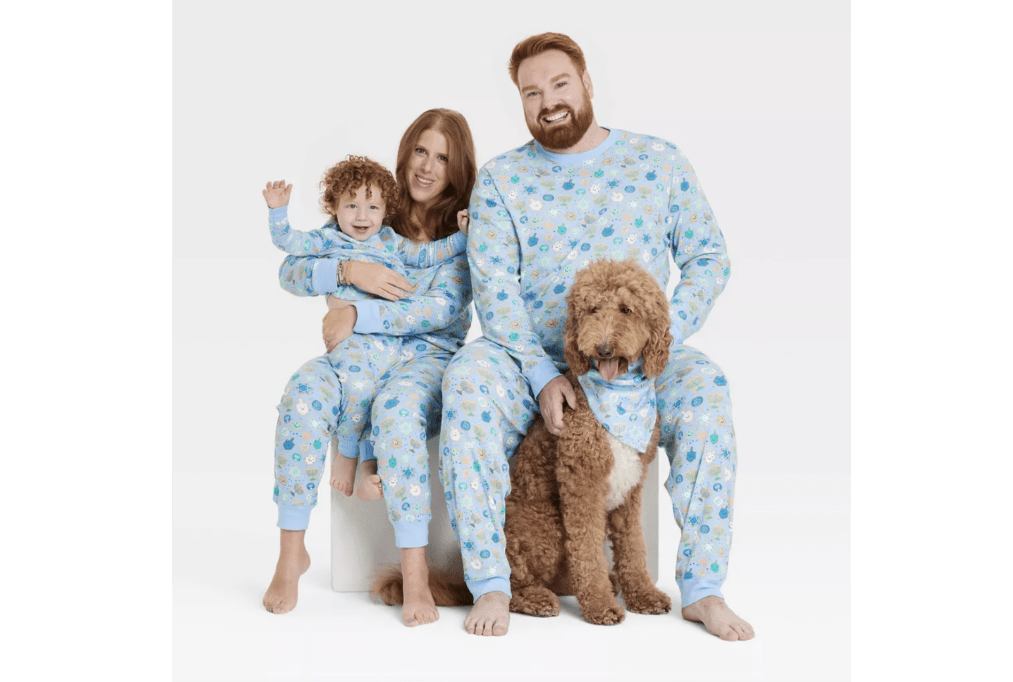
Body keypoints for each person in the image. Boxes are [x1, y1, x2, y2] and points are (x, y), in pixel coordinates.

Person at [439, 33, 755, 640]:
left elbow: (709, 257)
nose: (547, 101)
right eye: (531, 93)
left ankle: (704, 590)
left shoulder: (658, 160)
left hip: (646, 351)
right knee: (468, 379)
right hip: (532, 356)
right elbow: (495, 289)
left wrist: (656, 338)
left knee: (709, 387)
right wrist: (540, 375)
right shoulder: (503, 180)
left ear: (586, 82)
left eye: (558, 84)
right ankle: (493, 582)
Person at [263, 110, 476, 628]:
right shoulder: (373, 212)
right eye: (421, 151)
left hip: (425, 361)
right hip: (358, 358)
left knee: (397, 413)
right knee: (304, 394)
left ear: (457, 168)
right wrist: (347, 270)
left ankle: (415, 571)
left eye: (442, 157)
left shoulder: (463, 230)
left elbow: (442, 310)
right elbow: (290, 271)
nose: (427, 166)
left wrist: (358, 310)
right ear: (405, 155)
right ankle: (292, 552)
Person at [263, 155, 467, 497]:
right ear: (334, 208)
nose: (361, 216)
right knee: (356, 385)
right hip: (351, 337)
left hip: (385, 341)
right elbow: (290, 249)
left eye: (372, 208)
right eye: (352, 206)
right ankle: (348, 455)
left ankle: (370, 462)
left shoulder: (389, 240)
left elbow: (427, 255)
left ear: (385, 210)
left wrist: (462, 238)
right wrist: (278, 213)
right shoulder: (329, 240)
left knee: (380, 390)